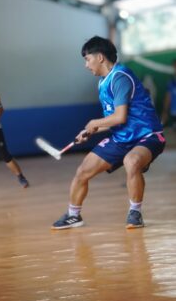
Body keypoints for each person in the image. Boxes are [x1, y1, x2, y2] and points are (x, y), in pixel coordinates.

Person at [52, 36, 165, 230]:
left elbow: (119, 117)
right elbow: (113, 120)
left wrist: (94, 122)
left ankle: (135, 212)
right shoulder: (103, 82)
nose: (86, 65)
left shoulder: (120, 77)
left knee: (132, 161)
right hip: (122, 137)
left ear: (101, 57)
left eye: (87, 59)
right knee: (82, 172)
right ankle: (73, 216)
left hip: (148, 135)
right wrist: (90, 131)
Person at [161, 59, 176, 131]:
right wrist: (165, 111)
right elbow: (168, 98)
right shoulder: (171, 82)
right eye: (174, 67)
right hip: (174, 113)